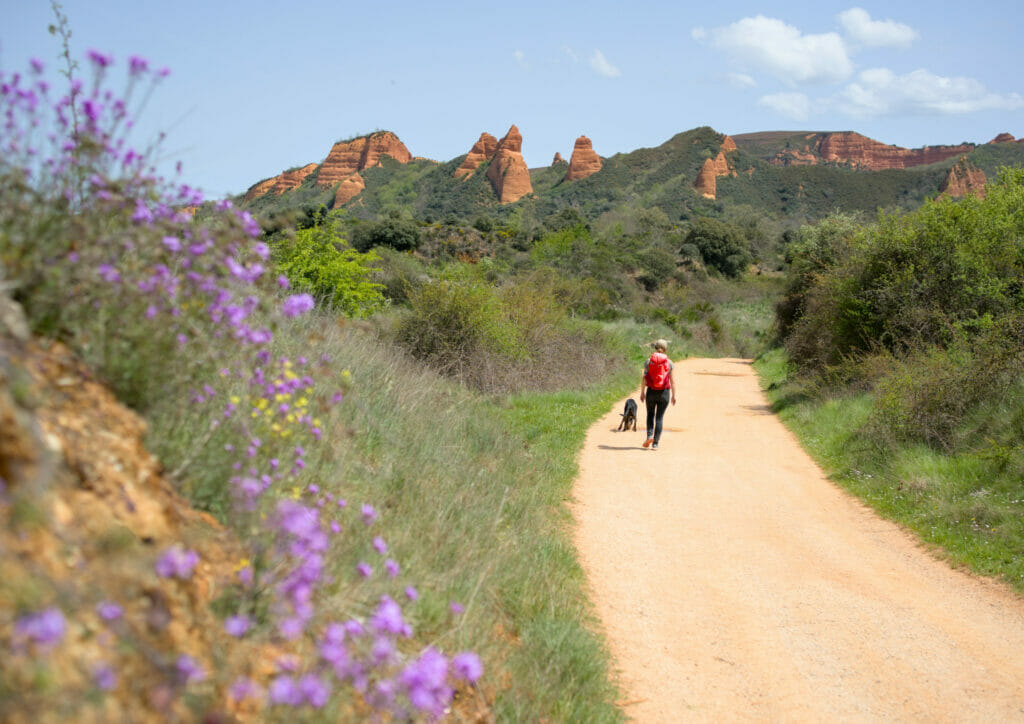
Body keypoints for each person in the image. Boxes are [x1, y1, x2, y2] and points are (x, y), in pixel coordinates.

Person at [640, 339, 676, 449]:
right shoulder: (669, 363)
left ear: (655, 348)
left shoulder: (648, 361)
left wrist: (642, 392)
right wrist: (674, 395)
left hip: (651, 392)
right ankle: (655, 443)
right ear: (666, 349)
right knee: (659, 418)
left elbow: (644, 379)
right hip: (664, 393)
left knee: (650, 415)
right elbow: (672, 381)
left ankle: (649, 435)